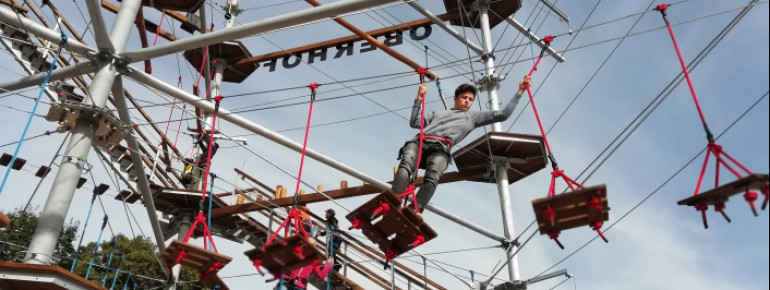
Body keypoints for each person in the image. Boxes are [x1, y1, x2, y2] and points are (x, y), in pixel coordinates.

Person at [392, 75, 531, 213]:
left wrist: (520, 91)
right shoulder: (439, 113)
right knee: (405, 166)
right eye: (464, 98)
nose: (467, 102)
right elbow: (415, 122)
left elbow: (503, 114)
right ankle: (394, 200)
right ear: (455, 98)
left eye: (470, 100)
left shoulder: (472, 117)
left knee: (433, 176)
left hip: (441, 149)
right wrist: (419, 97)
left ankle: (414, 210)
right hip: (420, 142)